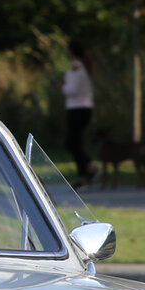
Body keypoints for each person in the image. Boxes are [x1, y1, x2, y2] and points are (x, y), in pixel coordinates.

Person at [62, 39, 98, 187]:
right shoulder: (82, 67)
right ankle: (84, 176)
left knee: (72, 143)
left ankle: (90, 167)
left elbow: (71, 90)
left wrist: (61, 87)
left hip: (78, 109)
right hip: (82, 109)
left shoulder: (77, 68)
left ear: (71, 51)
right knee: (76, 142)